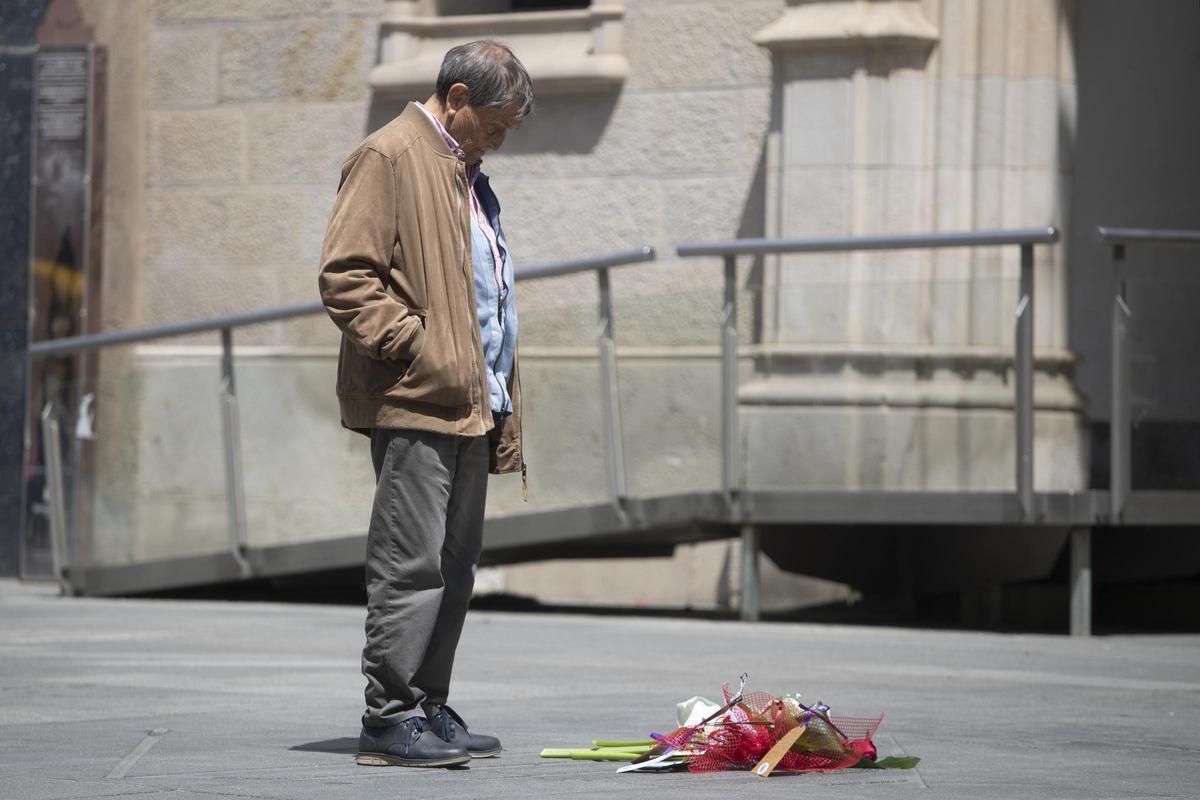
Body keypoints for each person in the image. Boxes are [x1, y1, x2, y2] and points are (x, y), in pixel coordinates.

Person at [317, 40, 531, 768]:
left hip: (474, 400)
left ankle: (429, 708)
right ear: (460, 97)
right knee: (410, 565)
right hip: (418, 397)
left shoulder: (463, 172)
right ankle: (389, 718)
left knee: (457, 563)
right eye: (497, 124)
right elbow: (347, 277)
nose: (502, 140)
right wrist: (416, 347)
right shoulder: (389, 156)